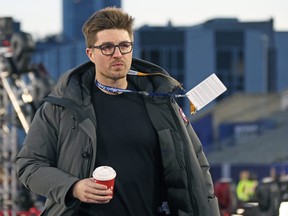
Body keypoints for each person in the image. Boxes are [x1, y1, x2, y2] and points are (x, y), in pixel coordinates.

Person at [16, 7, 220, 216]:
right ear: (90, 53)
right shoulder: (60, 107)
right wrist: (73, 187)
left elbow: (197, 166)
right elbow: (29, 165)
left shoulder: (162, 102)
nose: (117, 54)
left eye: (124, 46)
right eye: (107, 47)